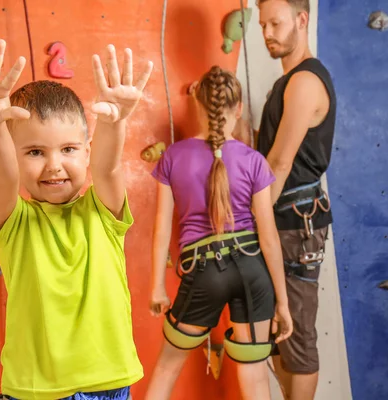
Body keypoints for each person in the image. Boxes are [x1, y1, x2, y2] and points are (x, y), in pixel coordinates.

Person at [0, 38, 152, 400]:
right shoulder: (15, 221)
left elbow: (106, 167)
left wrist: (116, 120)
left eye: (68, 149)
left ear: (85, 150)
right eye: (34, 152)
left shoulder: (102, 213)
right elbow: (1, 176)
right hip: (37, 390)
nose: (54, 165)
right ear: (15, 155)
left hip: (108, 381)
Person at [144, 65, 293, 400]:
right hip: (253, 271)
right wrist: (282, 302)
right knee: (254, 375)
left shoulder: (172, 157)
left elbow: (161, 230)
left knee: (168, 366)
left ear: (198, 106)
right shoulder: (254, 161)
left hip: (204, 270)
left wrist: (157, 286)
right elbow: (268, 239)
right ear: (238, 110)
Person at [254, 1, 338, 399]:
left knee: (297, 335)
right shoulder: (286, 82)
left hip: (293, 223)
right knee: (281, 334)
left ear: (301, 20)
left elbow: (280, 161)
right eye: (263, 24)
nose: (267, 32)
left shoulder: (305, 82)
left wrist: (253, 222)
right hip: (284, 220)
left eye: (276, 23)